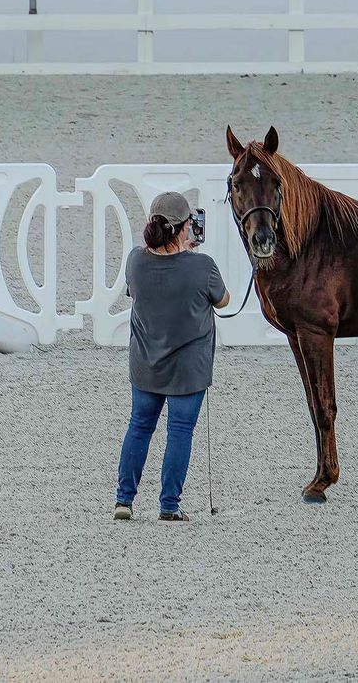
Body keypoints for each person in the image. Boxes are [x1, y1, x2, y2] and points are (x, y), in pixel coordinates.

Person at [113, 192, 229, 523]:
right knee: (180, 431)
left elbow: (139, 289)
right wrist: (189, 255)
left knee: (139, 426)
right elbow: (223, 301)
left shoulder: (135, 261)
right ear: (183, 228)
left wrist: (180, 252)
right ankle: (169, 504)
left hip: (146, 362)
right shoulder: (202, 266)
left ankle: (124, 500)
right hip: (187, 369)